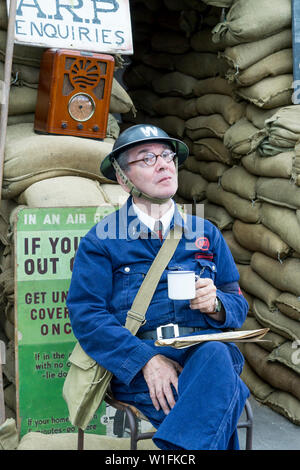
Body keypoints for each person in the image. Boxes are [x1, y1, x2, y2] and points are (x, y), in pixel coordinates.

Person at [66, 124, 250, 450]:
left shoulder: (205, 232)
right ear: (123, 179)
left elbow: (238, 305)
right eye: (147, 158)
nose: (164, 163)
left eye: (167, 155)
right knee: (220, 398)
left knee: (217, 357)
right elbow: (86, 316)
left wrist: (217, 304)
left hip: (203, 356)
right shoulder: (102, 240)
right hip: (140, 367)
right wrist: (145, 361)